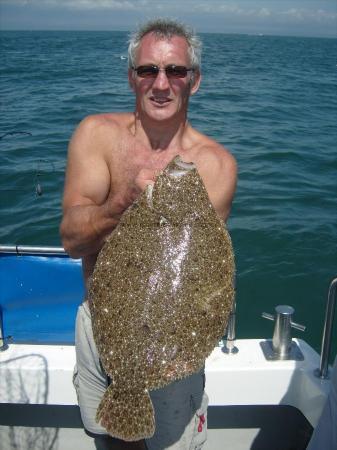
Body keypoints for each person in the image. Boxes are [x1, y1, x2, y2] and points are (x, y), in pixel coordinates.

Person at [60, 18, 237, 450]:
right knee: (106, 440)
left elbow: (198, 273)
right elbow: (72, 241)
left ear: (193, 81)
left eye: (176, 71)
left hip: (172, 343)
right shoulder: (96, 135)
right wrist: (123, 202)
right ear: (131, 78)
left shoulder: (217, 165)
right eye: (148, 70)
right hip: (100, 327)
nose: (162, 83)